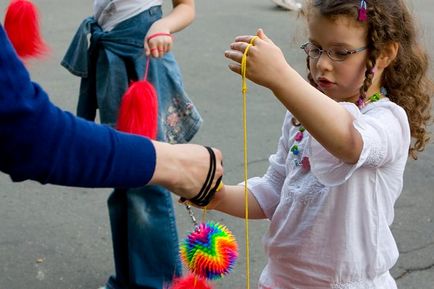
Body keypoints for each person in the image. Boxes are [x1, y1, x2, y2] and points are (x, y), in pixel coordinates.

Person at [215, 0, 433, 288]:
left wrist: (281, 77)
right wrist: (214, 195)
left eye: (341, 52)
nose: (322, 64)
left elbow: (349, 143)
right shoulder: (300, 116)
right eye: (315, 48)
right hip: (282, 280)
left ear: (384, 54)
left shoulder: (388, 120)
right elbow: (274, 189)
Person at [61, 1, 202, 288]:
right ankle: (126, 279)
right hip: (110, 57)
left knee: (148, 176)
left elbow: (186, 7)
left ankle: (156, 283)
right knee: (122, 173)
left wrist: (163, 26)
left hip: (143, 57)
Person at [0, 23, 222, 205]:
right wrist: (174, 164)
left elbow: (24, 130)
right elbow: (25, 133)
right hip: (110, 65)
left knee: (146, 191)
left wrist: (163, 25)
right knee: (127, 187)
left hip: (141, 64)